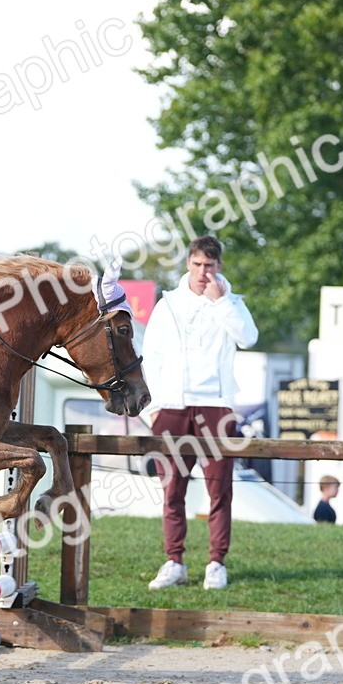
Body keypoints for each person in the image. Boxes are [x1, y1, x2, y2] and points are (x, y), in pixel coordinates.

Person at [142, 236, 258, 590]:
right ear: (188, 264)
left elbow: (249, 338)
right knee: (172, 489)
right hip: (172, 407)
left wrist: (221, 302)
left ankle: (216, 563)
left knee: (220, 491)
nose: (202, 272)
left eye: (209, 265)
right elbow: (152, 356)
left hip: (217, 407)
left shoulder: (231, 302)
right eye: (197, 264)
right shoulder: (168, 304)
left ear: (218, 266)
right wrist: (155, 408)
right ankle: (174, 561)